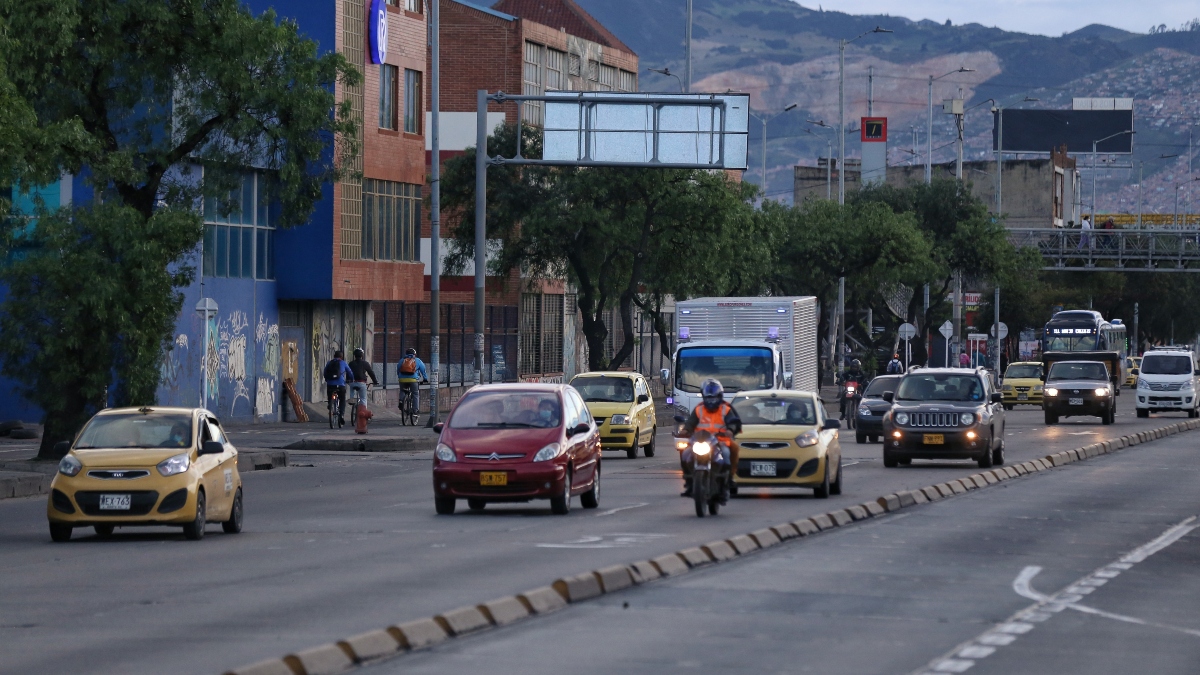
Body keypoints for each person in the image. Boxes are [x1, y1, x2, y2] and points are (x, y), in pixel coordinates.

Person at [678, 379, 742, 501]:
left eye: (714, 398)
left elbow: (734, 422)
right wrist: (685, 430)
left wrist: (730, 430)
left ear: (719, 396)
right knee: (685, 453)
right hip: (701, 440)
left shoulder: (726, 409)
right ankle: (689, 481)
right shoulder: (699, 409)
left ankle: (728, 479)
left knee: (728, 453)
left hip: (720, 441)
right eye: (708, 398)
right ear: (704, 396)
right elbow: (690, 423)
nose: (711, 401)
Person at [397, 347, 429, 416]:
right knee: (415, 394)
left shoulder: (402, 360)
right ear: (415, 354)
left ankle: (401, 401)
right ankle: (415, 410)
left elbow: (398, 369)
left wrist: (400, 377)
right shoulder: (417, 360)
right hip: (413, 380)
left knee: (402, 391)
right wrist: (425, 379)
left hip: (402, 379)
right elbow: (423, 370)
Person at [323, 350, 353, 425]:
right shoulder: (343, 363)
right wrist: (351, 379)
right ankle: (342, 415)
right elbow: (350, 372)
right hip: (340, 385)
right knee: (342, 399)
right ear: (341, 357)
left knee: (330, 393)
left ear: (334, 356)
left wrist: (327, 379)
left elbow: (325, 372)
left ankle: (330, 403)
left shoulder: (329, 363)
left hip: (330, 384)